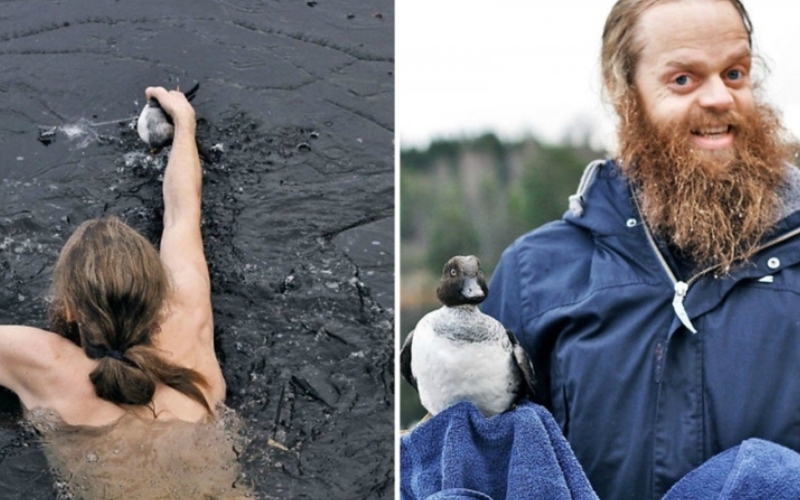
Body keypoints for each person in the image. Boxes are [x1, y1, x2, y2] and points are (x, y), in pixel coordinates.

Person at [481, 0, 800, 498]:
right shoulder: (533, 274)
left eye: (734, 73)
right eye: (684, 80)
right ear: (623, 91)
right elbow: (484, 469)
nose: (720, 98)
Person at [0, 87, 247, 498]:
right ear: (158, 298)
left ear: (69, 310)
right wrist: (184, 125)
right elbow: (182, 216)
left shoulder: (40, 360)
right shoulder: (188, 320)